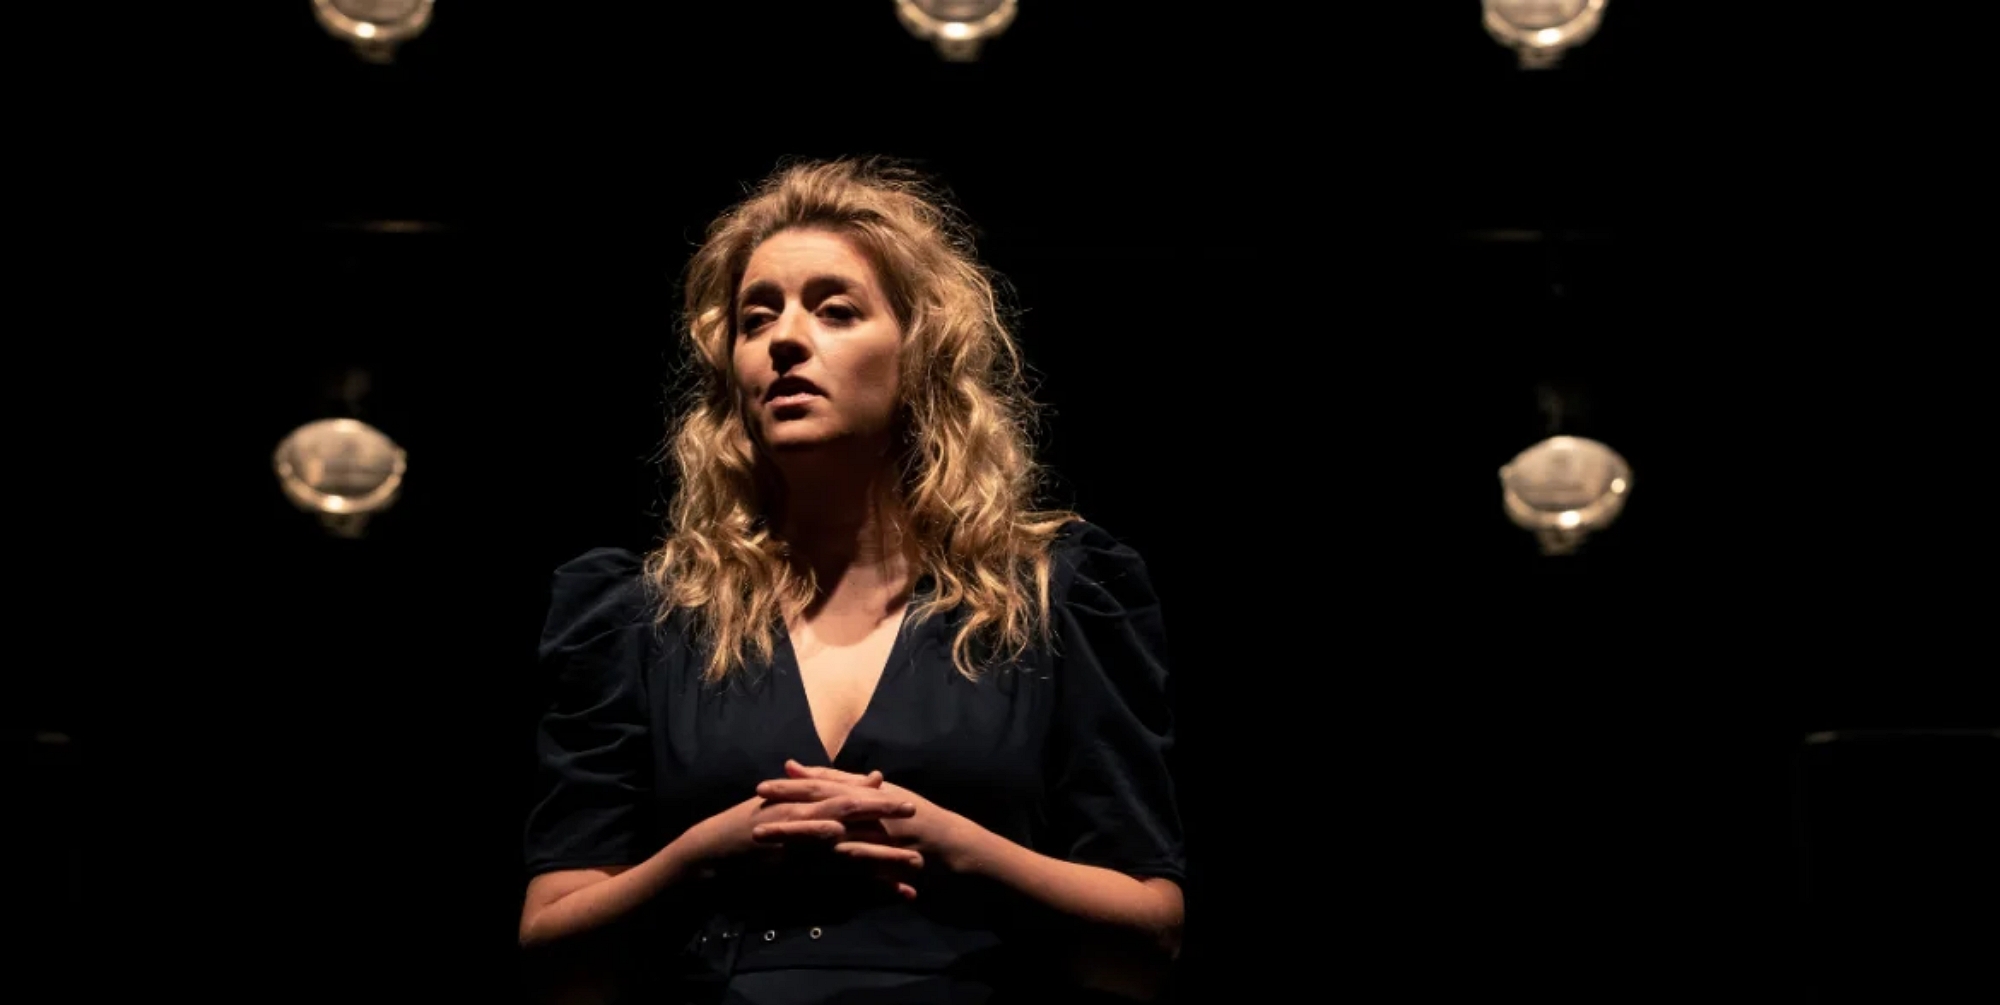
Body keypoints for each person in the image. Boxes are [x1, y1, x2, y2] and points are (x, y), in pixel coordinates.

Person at [518, 157, 1186, 1004]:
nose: (784, 340)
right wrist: (701, 857)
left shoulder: (1058, 596)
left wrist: (957, 848)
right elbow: (554, 951)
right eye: (756, 318)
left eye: (835, 310)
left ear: (920, 353)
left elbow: (1148, 942)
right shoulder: (643, 618)